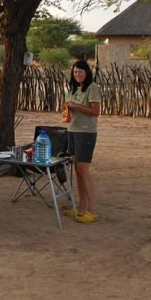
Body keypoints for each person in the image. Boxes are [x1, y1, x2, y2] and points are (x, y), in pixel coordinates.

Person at [63, 60, 101, 224]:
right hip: (72, 130)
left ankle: (92, 211)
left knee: (83, 170)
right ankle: (81, 207)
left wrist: (77, 106)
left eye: (80, 72)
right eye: (75, 72)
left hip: (86, 132)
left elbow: (95, 111)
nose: (77, 74)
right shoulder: (72, 88)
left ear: (87, 73)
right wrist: (66, 110)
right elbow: (69, 107)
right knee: (77, 171)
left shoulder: (92, 88)